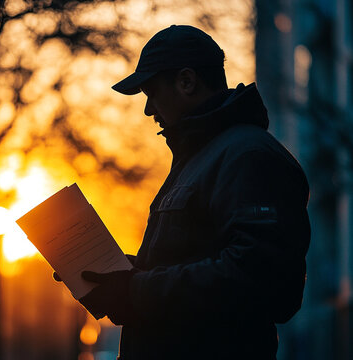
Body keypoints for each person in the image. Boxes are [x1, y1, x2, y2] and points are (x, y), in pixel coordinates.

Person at [70, 25, 311, 359]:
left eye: (150, 93)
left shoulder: (248, 156)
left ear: (186, 81)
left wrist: (135, 290)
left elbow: (263, 278)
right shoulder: (205, 157)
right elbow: (200, 260)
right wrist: (127, 273)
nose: (148, 109)